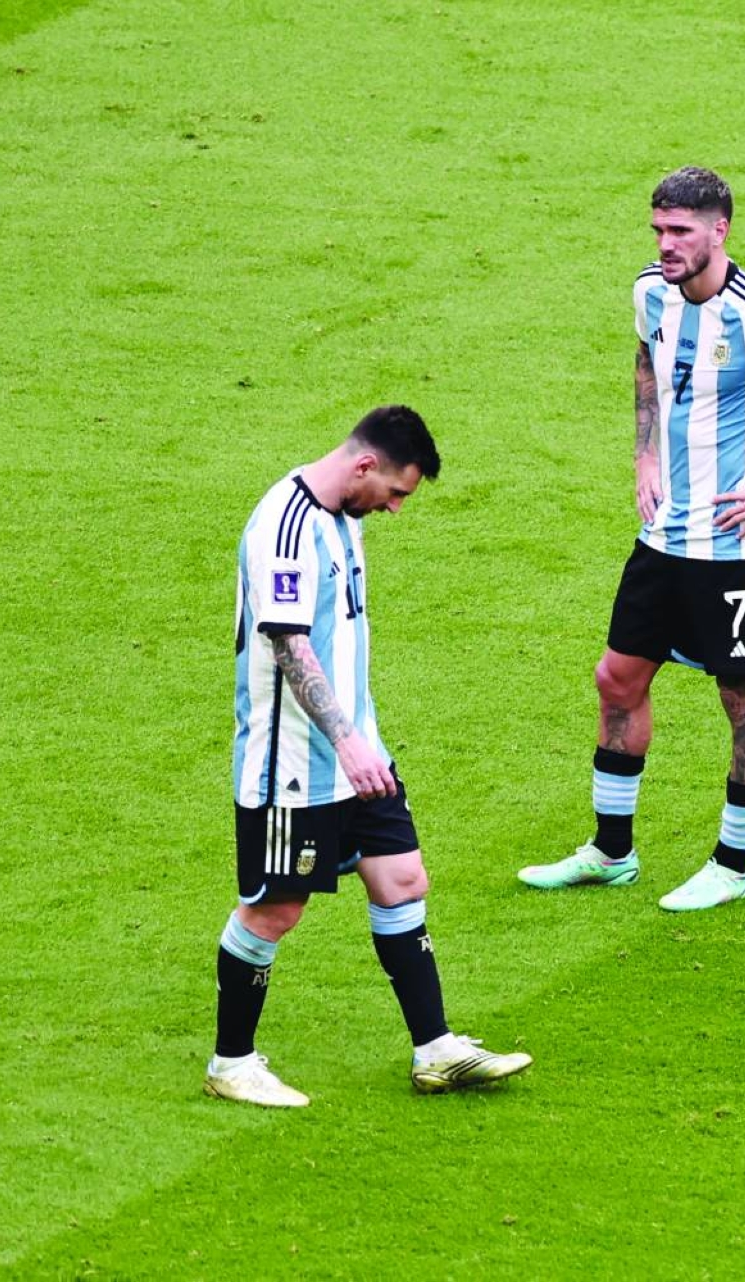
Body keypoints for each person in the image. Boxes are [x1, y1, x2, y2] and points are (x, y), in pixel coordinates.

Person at [518, 167, 745, 911]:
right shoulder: (651, 290)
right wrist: (644, 452)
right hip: (663, 535)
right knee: (617, 679)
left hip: (736, 548)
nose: (666, 244)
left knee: (743, 698)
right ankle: (611, 852)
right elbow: (649, 359)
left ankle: (731, 865)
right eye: (658, 229)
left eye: (681, 231)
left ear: (721, 230)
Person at [206, 405, 532, 1106]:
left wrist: (362, 743)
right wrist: (347, 741)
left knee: (403, 880)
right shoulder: (284, 530)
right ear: (363, 466)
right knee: (275, 911)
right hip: (293, 764)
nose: (396, 509)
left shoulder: (344, 517)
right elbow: (291, 647)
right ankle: (231, 1063)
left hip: (359, 756)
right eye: (396, 492)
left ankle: (436, 1050)